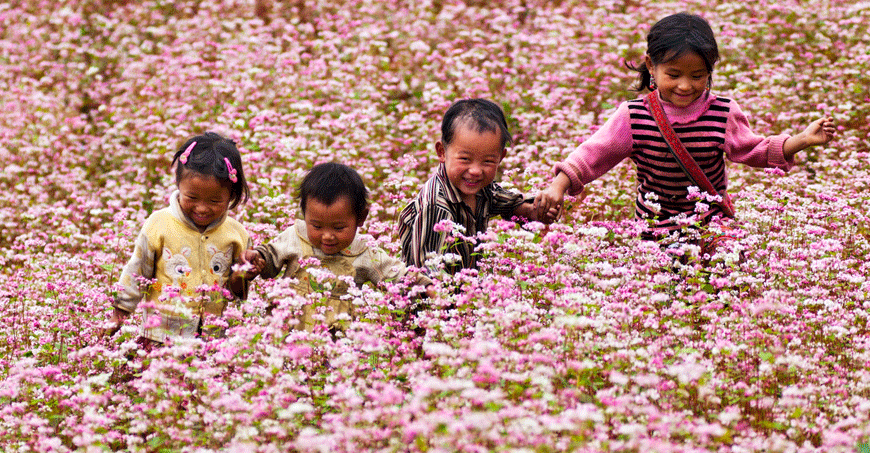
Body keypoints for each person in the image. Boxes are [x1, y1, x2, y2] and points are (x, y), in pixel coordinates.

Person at [535, 13, 836, 250]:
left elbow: (752, 149)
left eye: (698, 76)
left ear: (711, 71)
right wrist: (558, 186)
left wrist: (803, 140)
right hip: (654, 226)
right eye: (674, 74)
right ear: (651, 66)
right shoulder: (634, 115)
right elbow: (594, 154)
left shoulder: (724, 112)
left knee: (728, 271)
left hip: (711, 221)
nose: (685, 85)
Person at [242, 162, 431, 331]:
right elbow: (270, 255)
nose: (327, 236)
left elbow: (398, 275)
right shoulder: (295, 236)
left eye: (339, 228)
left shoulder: (364, 251)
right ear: (304, 214)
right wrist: (257, 259)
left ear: (361, 218)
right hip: (289, 327)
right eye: (316, 226)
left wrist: (428, 287)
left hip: (338, 336)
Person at [108, 132, 252, 342]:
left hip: (215, 339)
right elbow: (137, 271)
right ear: (178, 185)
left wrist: (243, 275)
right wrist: (120, 312)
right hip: (161, 335)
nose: (202, 208)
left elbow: (237, 292)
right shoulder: (159, 224)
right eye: (192, 197)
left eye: (214, 201)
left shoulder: (237, 234)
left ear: (232, 195)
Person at [398, 98, 559, 274]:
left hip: (469, 293)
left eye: (488, 161)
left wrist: (532, 210)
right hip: (438, 295)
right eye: (465, 159)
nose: (475, 171)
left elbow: (508, 202)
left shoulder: (483, 189)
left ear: (501, 157)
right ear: (442, 151)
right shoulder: (436, 206)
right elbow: (424, 272)